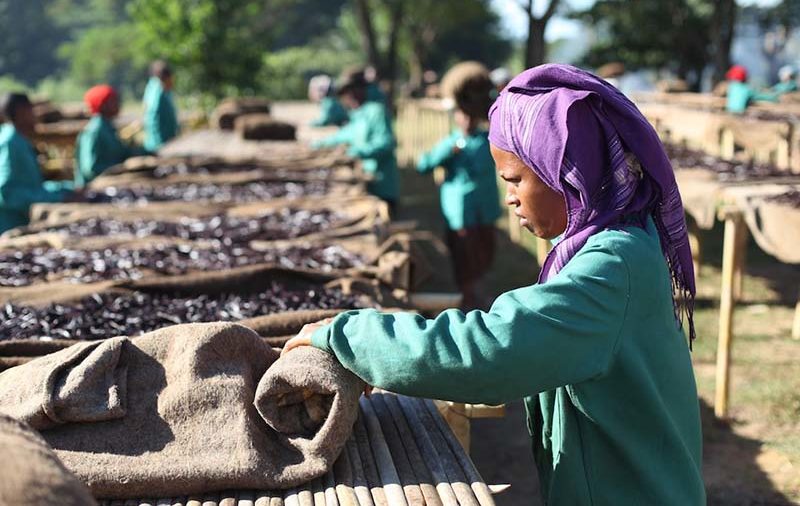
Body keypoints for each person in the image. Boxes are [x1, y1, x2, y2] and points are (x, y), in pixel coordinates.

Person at [286, 64, 705, 506]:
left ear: (567, 171)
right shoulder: (617, 239)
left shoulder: (614, 265)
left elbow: (493, 348)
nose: (509, 197)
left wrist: (352, 337)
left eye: (515, 179)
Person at [417, 108, 501, 310]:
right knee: (463, 259)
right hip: (460, 213)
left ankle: (480, 295)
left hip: (485, 209)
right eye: (463, 115)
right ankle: (467, 300)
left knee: (484, 256)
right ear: (456, 116)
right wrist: (447, 153)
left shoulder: (489, 139)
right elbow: (423, 165)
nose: (468, 120)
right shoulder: (450, 142)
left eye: (471, 115)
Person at [314, 69, 399, 211]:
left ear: (361, 89)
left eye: (351, 91)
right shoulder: (356, 115)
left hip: (381, 185)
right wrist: (318, 145)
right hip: (366, 184)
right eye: (346, 94)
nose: (349, 97)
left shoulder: (375, 111)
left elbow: (386, 142)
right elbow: (343, 135)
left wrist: (354, 152)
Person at [0, 93, 75, 233]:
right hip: (8, 226)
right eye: (32, 111)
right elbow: (7, 193)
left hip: (18, 222)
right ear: (21, 112)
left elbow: (30, 185)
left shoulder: (18, 140)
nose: (36, 116)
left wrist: (65, 189)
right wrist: (58, 197)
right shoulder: (10, 143)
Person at [74, 85, 147, 187]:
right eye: (113, 100)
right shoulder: (94, 131)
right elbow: (90, 169)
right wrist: (118, 168)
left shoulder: (108, 127)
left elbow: (122, 153)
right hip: (92, 190)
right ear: (103, 105)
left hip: (109, 184)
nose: (118, 104)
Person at [142, 60, 179, 151]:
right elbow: (152, 117)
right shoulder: (157, 92)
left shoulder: (159, 89)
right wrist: (160, 144)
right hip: (159, 144)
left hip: (166, 140)